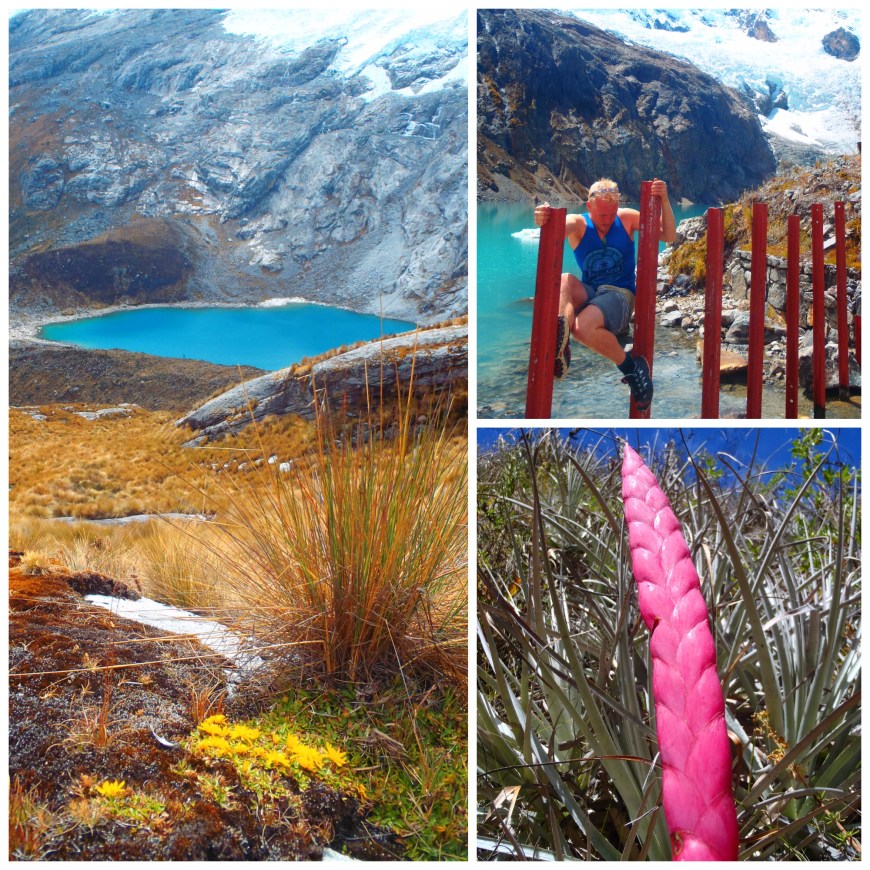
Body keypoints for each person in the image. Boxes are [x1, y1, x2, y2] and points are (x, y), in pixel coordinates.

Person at [534, 178, 676, 411]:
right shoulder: (578, 224)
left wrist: (665, 199)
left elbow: (668, 236)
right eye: (602, 216)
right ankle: (560, 346)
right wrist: (545, 217)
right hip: (592, 294)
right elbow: (559, 226)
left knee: (583, 327)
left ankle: (631, 368)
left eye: (612, 214)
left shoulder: (627, 218)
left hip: (620, 295)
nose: (608, 221)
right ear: (589, 207)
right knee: (563, 280)